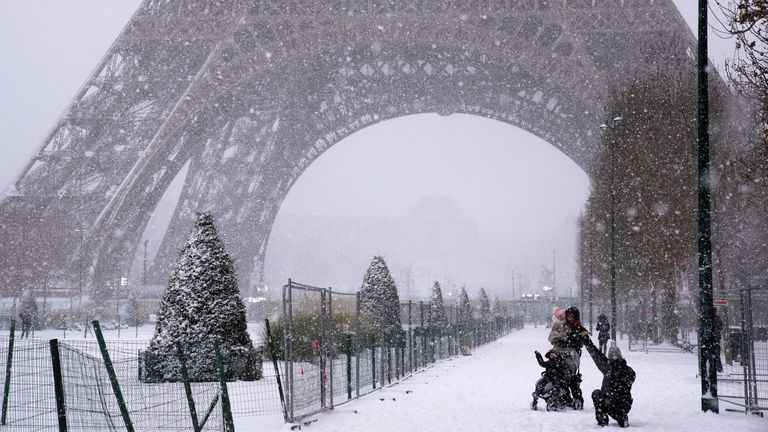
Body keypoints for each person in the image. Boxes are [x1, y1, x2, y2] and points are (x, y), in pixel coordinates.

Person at [580, 333, 636, 427]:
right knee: (597, 394)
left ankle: (617, 418)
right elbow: (596, 354)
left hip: (618, 403)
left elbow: (629, 381)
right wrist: (586, 340)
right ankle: (611, 419)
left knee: (600, 396)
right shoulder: (610, 368)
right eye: (612, 357)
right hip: (615, 402)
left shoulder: (625, 370)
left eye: (616, 357)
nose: (614, 359)